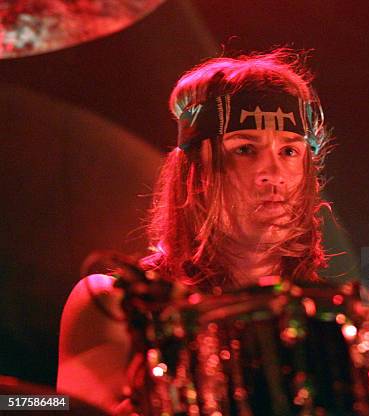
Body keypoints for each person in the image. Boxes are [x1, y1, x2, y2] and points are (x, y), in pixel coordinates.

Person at [57, 49, 331, 414]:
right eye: (246, 148)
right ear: (195, 175)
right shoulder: (112, 306)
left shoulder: (327, 322)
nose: (273, 173)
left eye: (289, 151)